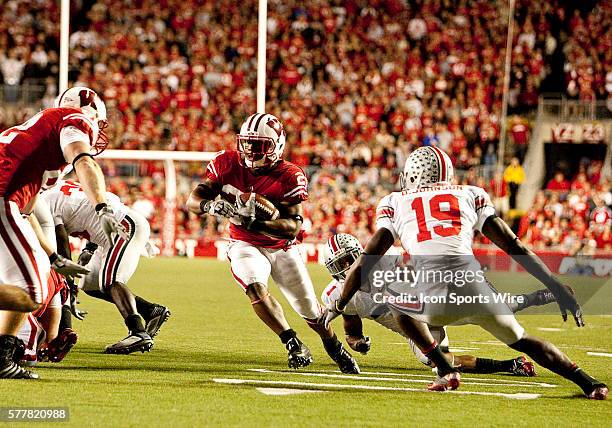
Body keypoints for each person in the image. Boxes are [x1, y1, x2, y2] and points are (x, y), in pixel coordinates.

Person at [321, 146, 607, 399]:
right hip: (474, 287)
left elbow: (365, 262)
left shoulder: (395, 201)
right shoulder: (471, 193)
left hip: (433, 301)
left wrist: (340, 303)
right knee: (522, 340)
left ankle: (445, 371)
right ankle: (589, 382)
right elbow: (513, 244)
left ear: (411, 175)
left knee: (396, 303)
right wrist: (555, 285)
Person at [186, 113, 359, 373]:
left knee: (310, 311)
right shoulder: (226, 162)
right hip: (244, 244)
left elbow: (292, 228)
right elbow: (194, 199)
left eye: (259, 145)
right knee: (254, 287)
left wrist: (256, 223)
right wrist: (209, 205)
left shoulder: (290, 175)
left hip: (281, 247)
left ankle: (333, 345)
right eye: (248, 143)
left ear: (276, 145)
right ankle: (292, 342)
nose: (251, 150)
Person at [0, 86, 126, 379]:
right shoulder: (73, 120)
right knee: (31, 292)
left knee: (31, 286)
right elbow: (83, 159)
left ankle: (3, 355)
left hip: (9, 202)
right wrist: (101, 207)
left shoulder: (39, 145)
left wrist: (54, 256)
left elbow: (26, 212)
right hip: (2, 196)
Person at [320, 233, 563, 376]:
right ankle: (511, 365)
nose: (345, 269)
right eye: (338, 265)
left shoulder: (387, 259)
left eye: (348, 261)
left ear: (359, 254)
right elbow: (351, 329)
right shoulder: (339, 295)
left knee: (499, 308)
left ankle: (536, 297)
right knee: (436, 361)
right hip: (414, 329)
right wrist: (357, 343)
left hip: (433, 304)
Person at [39, 179, 170, 354]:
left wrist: (67, 284)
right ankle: (150, 310)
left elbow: (61, 243)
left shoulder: (44, 201)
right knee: (90, 283)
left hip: (123, 227)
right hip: (113, 231)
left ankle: (137, 332)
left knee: (111, 280)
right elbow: (93, 208)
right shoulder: (60, 189)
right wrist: (89, 247)